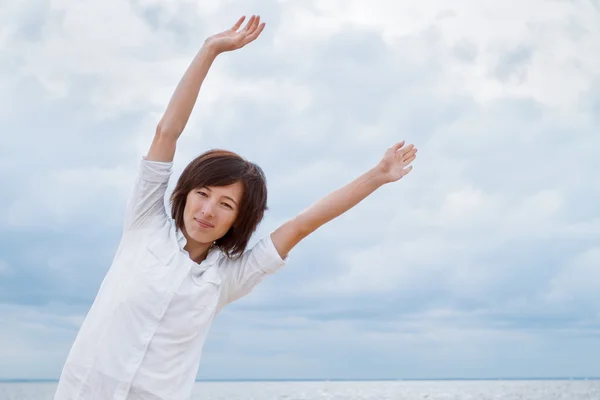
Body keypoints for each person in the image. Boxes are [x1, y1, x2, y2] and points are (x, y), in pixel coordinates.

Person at [54, 15, 418, 400]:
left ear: (238, 220)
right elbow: (167, 131)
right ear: (186, 194)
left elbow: (302, 224)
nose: (208, 209)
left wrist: (376, 176)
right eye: (203, 193)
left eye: (226, 204)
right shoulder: (145, 225)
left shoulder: (227, 278)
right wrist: (210, 50)